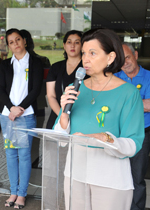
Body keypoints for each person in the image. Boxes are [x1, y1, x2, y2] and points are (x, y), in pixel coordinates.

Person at [54, 28, 145, 210]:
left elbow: (133, 143)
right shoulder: (75, 87)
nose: (85, 59)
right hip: (75, 174)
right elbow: (60, 138)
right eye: (84, 53)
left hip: (110, 179)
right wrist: (64, 113)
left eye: (92, 53)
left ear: (110, 57)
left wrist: (102, 137)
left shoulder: (128, 93)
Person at [0, 28, 43, 209]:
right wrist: (11, 109)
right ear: (8, 46)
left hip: (26, 115)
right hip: (7, 116)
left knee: (24, 155)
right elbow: (0, 90)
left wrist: (20, 109)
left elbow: (35, 90)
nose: (15, 44)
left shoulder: (35, 63)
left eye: (18, 40)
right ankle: (13, 192)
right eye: (11, 42)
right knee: (10, 154)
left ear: (24, 41)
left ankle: (22, 194)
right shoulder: (5, 65)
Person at [114, 43, 150, 210]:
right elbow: (113, 107)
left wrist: (124, 104)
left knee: (137, 178)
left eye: (127, 57)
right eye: (121, 59)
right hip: (117, 134)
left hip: (141, 135)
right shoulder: (115, 77)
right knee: (116, 175)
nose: (125, 62)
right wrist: (140, 103)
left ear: (136, 55)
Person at [46, 30, 88, 129]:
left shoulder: (87, 68)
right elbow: (51, 96)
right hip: (57, 116)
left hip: (80, 117)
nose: (72, 46)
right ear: (64, 45)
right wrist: (62, 115)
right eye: (69, 42)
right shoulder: (56, 67)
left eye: (77, 42)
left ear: (82, 46)